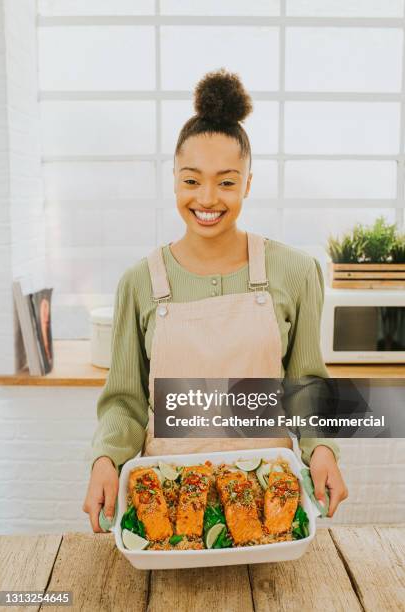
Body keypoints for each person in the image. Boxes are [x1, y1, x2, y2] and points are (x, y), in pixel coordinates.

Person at [83, 69, 348, 532]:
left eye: (226, 182)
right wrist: (106, 460)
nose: (207, 198)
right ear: (174, 181)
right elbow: (124, 403)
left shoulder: (296, 273)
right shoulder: (139, 283)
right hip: (166, 496)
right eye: (192, 181)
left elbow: (306, 385)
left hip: (270, 496)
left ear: (247, 183)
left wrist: (322, 448)